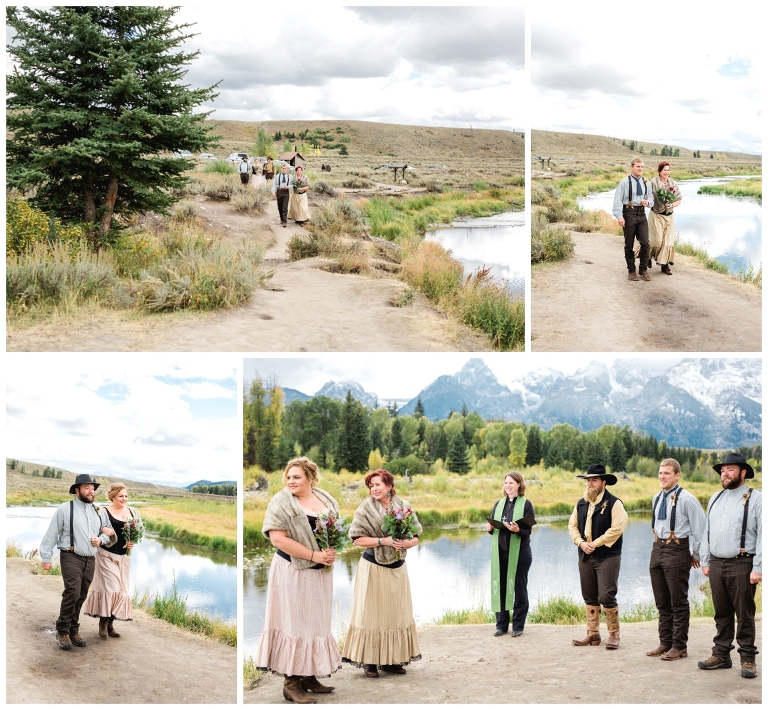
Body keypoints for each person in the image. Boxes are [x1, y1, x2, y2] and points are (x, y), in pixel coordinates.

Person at [255, 457, 341, 704]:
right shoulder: (281, 502)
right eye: (289, 477)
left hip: (320, 571)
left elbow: (334, 531)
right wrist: (314, 554)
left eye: (297, 477)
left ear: (311, 478)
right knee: (294, 621)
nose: (291, 481)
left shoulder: (325, 499)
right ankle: (291, 683)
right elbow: (278, 539)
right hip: (292, 569)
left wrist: (330, 551)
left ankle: (309, 676)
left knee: (316, 621)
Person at [343, 469, 422, 678]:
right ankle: (370, 661)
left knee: (396, 614)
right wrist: (383, 541)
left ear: (389, 486)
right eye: (371, 486)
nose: (374, 489)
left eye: (377, 484)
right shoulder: (365, 509)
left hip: (397, 568)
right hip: (373, 568)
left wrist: (406, 543)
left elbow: (416, 537)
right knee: (372, 614)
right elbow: (357, 539)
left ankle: (392, 660)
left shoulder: (403, 506)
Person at [698, 453, 762, 679]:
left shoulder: (757, 499)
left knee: (744, 614)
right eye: (722, 470)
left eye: (730, 470)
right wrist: (705, 560)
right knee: (721, 612)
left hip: (742, 563)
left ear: (743, 472)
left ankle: (748, 659)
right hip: (716, 563)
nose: (724, 474)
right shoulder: (715, 498)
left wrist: (759, 568)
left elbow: (764, 535)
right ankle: (721, 655)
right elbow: (707, 532)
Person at [39, 474, 116, 650]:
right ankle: (62, 630)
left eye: (92, 488)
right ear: (77, 490)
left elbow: (109, 531)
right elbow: (52, 534)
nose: (91, 491)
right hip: (71, 556)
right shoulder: (65, 509)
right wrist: (46, 557)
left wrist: (101, 539)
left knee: (81, 595)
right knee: (72, 592)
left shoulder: (99, 511)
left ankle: (73, 630)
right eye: (87, 488)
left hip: (90, 559)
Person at [646, 459, 706, 661]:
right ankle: (665, 642)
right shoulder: (656, 498)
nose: (662, 477)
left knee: (678, 602)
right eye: (660, 473)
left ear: (677, 475)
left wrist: (696, 555)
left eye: (667, 473)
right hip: (657, 548)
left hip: (677, 549)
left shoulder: (688, 500)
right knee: (662, 601)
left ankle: (680, 646)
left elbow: (701, 531)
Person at [568, 463, 628, 649]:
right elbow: (572, 526)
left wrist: (597, 543)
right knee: (589, 595)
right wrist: (581, 542)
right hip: (585, 554)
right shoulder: (581, 503)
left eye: (594, 480)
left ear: (604, 482)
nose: (590, 484)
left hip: (607, 556)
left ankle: (614, 635)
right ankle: (593, 635)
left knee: (607, 595)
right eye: (588, 480)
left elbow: (618, 527)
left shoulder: (615, 503)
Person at [82, 483, 142, 639]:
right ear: (113, 496)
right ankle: (103, 621)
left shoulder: (133, 512)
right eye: (121, 496)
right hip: (106, 555)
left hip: (124, 557)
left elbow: (137, 531)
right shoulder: (103, 511)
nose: (124, 499)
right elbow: (92, 528)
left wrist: (132, 542)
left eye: (126, 496)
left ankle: (110, 623)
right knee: (111, 588)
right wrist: (103, 530)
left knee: (121, 590)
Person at [485, 471, 534, 637]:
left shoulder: (526, 504)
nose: (508, 486)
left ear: (519, 485)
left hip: (521, 553)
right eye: (506, 483)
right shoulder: (499, 504)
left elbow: (528, 531)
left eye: (511, 483)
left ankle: (518, 626)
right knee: (500, 586)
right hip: (501, 553)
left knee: (519, 588)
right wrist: (489, 529)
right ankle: (501, 625)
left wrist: (518, 529)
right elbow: (494, 528)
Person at [635, 161, 682, 275]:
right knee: (655, 241)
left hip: (669, 216)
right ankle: (647, 256)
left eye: (668, 170)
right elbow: (647, 196)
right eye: (664, 170)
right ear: (660, 171)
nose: (667, 172)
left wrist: (671, 205)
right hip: (656, 215)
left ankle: (664, 265)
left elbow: (678, 199)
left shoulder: (673, 183)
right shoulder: (653, 183)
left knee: (668, 242)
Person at [612, 158, 655, 282]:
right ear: (632, 167)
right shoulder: (624, 183)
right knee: (629, 244)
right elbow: (617, 201)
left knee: (646, 243)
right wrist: (619, 216)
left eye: (642, 166)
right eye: (638, 166)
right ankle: (631, 271)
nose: (640, 169)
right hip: (628, 213)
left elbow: (651, 200)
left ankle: (643, 269)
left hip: (641, 214)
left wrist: (648, 203)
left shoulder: (647, 183)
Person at [271, 163, 292, 227]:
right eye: (283, 168)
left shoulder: (290, 176)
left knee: (285, 207)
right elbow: (274, 184)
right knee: (280, 206)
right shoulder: (277, 176)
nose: (284, 169)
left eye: (285, 168)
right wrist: (273, 192)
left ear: (287, 169)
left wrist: (288, 187)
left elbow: (293, 185)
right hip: (279, 191)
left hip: (286, 192)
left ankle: (284, 221)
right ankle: (281, 219)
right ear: (281, 169)